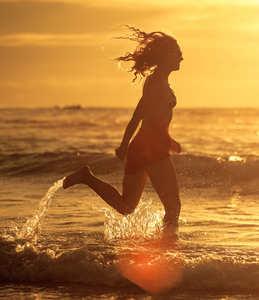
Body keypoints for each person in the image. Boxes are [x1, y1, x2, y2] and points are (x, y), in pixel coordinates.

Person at [63, 27, 183, 236]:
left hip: (147, 145)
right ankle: (169, 250)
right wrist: (124, 144)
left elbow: (155, 120)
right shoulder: (156, 82)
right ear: (166, 57)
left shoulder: (163, 81)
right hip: (149, 147)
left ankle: (87, 177)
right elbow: (138, 116)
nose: (182, 58)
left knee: (126, 207)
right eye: (178, 54)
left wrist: (169, 140)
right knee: (173, 208)